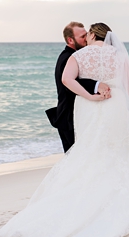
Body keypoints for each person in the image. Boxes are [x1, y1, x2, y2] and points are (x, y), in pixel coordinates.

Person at [0, 22, 129, 237]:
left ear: (91, 35)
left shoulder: (79, 56)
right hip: (115, 107)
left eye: (86, 34)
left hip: (88, 107)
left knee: (89, 150)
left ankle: (84, 197)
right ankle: (108, 199)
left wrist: (89, 95)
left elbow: (67, 80)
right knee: (114, 151)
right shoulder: (119, 56)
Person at [46, 22, 112, 152]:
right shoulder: (67, 57)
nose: (86, 39)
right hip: (69, 118)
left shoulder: (82, 56)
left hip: (79, 115)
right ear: (70, 40)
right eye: (82, 36)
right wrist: (96, 85)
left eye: (87, 35)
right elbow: (70, 82)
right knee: (74, 160)